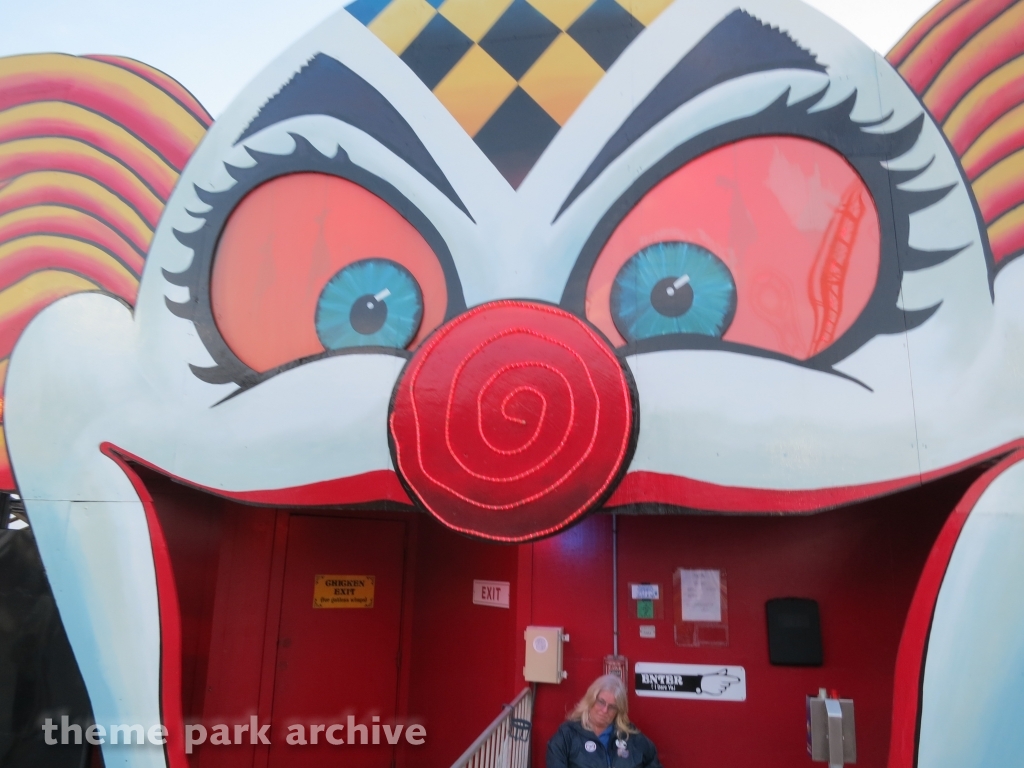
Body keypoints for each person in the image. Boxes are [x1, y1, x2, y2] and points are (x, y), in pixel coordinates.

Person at [546, 674, 663, 767]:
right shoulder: (566, 736)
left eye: (612, 707)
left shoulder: (634, 738)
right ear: (590, 700)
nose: (605, 710)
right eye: (601, 702)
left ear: (618, 710)